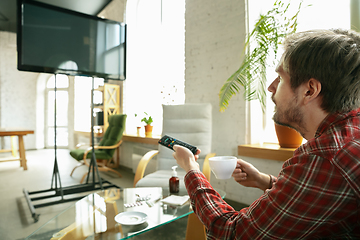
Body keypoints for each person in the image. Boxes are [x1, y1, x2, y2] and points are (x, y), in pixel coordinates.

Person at [172, 29, 360, 239]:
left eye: (280, 77)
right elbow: (321, 197)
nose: (271, 87)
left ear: (310, 90)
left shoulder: (324, 157)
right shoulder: (350, 133)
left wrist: (191, 168)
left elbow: (234, 233)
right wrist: (265, 181)